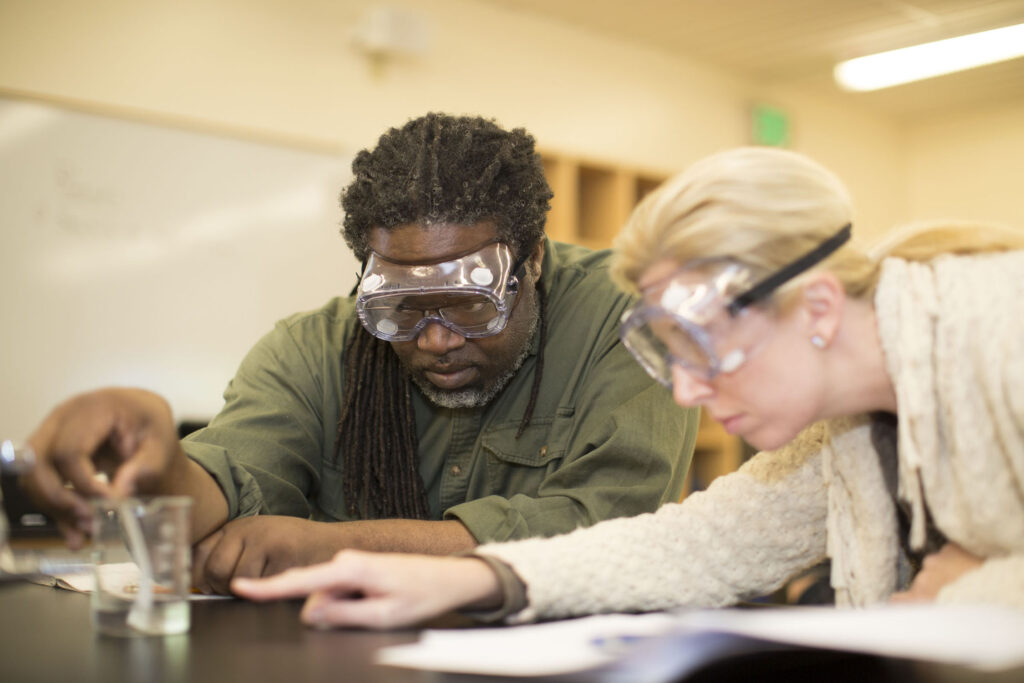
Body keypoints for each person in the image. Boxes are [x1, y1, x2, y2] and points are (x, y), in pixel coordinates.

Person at [232, 146, 1024, 629]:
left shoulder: (1003, 324)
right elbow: (703, 543)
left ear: (815, 305)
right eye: (667, 353)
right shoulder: (847, 431)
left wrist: (971, 588)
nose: (686, 391)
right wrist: (471, 577)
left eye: (706, 345)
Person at [20, 113, 698, 594]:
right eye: (399, 307)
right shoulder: (311, 348)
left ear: (535, 259)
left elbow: (619, 526)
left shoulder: (629, 316)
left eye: (468, 304)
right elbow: (225, 493)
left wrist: (341, 544)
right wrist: (161, 457)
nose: (434, 338)